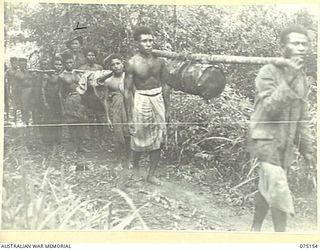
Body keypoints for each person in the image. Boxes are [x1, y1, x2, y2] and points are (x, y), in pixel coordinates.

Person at [247, 25, 315, 232]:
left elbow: (301, 117)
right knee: (278, 189)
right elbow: (270, 108)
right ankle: (281, 238)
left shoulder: (302, 77)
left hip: (285, 144)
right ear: (283, 46)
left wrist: (307, 149)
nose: (301, 48)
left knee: (268, 186)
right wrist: (289, 78)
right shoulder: (267, 71)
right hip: (265, 140)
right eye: (295, 43)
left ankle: (254, 229)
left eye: (304, 44)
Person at [124, 26, 170, 184]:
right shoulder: (132, 63)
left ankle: (151, 174)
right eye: (144, 41)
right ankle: (136, 167)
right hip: (141, 99)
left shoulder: (160, 61)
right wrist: (130, 117)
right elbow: (127, 91)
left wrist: (167, 108)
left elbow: (165, 85)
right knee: (138, 137)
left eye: (151, 40)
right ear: (137, 43)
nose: (148, 44)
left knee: (158, 137)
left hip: (158, 99)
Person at [103, 54, 130, 169]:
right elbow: (105, 100)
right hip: (116, 110)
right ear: (110, 67)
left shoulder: (129, 78)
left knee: (129, 136)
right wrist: (108, 117)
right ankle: (119, 161)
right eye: (113, 65)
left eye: (118, 63)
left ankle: (129, 161)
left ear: (122, 64)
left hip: (129, 110)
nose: (116, 66)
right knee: (118, 137)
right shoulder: (108, 81)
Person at [59, 52, 89, 153]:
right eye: (67, 63)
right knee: (72, 124)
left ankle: (81, 146)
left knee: (81, 123)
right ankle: (75, 146)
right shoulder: (62, 76)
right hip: (70, 99)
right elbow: (60, 93)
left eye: (71, 62)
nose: (70, 64)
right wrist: (63, 107)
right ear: (64, 64)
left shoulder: (77, 73)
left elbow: (83, 85)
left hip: (80, 99)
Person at [79, 48, 106, 145]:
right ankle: (91, 139)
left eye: (93, 55)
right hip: (88, 95)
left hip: (98, 95)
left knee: (100, 117)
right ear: (86, 57)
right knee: (90, 117)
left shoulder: (99, 68)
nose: (91, 57)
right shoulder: (82, 68)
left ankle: (101, 138)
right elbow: (80, 83)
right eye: (89, 55)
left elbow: (103, 81)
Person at [41, 56, 64, 145]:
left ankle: (57, 139)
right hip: (49, 99)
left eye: (60, 65)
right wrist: (45, 102)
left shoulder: (61, 74)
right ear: (52, 65)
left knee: (58, 119)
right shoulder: (47, 75)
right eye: (56, 64)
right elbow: (42, 89)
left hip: (58, 100)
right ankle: (48, 140)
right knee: (49, 119)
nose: (58, 66)